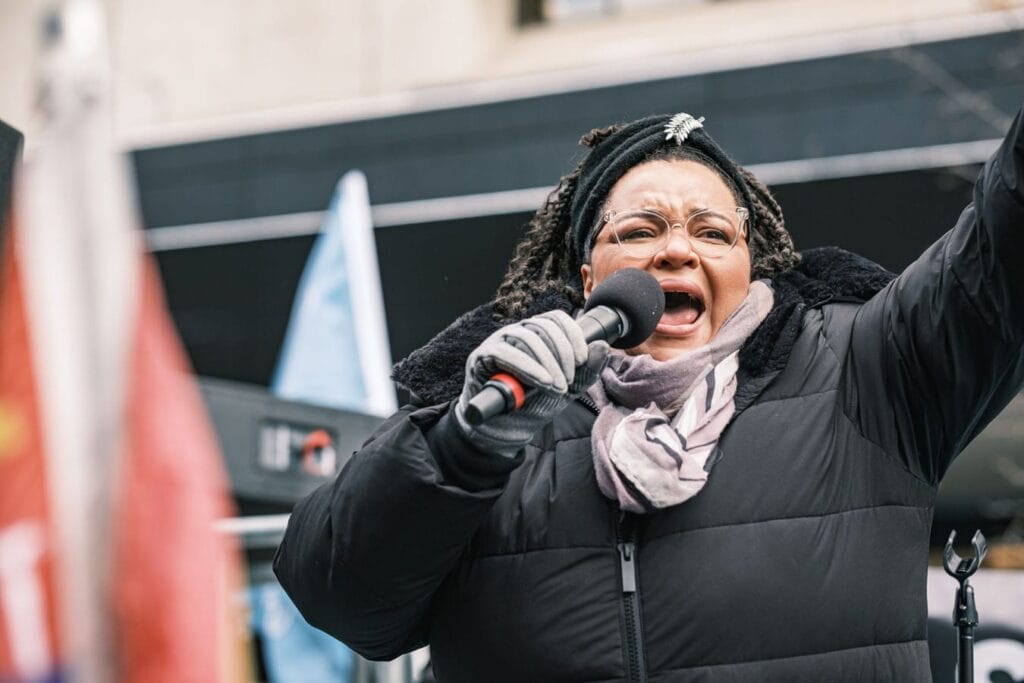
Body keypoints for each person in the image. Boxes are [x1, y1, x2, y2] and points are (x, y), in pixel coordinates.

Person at [273, 107, 1024, 682]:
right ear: (589, 278)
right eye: (639, 230)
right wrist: (462, 451)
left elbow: (1003, 254)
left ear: (750, 267)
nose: (676, 248)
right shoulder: (489, 407)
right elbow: (339, 600)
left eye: (713, 232)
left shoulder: (868, 371)